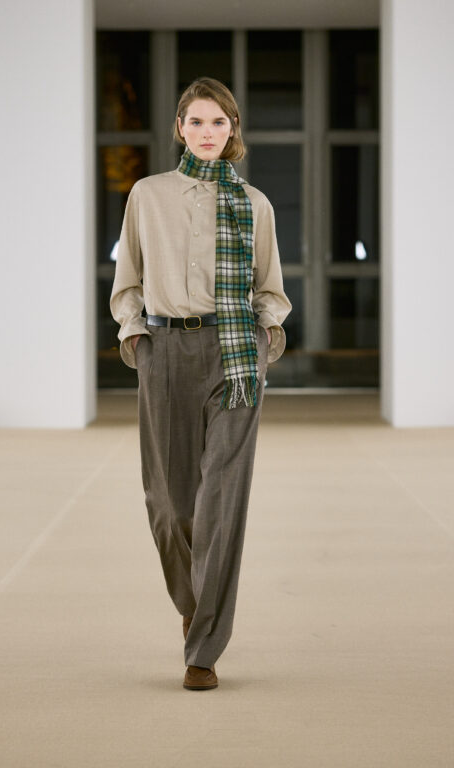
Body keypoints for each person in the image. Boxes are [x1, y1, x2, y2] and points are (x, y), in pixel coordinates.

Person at [110, 76, 292, 691]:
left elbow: (270, 290)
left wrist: (263, 342)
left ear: (232, 129)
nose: (208, 132)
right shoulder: (147, 194)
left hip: (234, 355)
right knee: (168, 505)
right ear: (180, 129)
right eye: (197, 121)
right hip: (164, 351)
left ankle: (204, 647)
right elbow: (128, 280)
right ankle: (194, 601)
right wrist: (136, 337)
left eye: (219, 122)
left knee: (220, 500)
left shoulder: (255, 204)